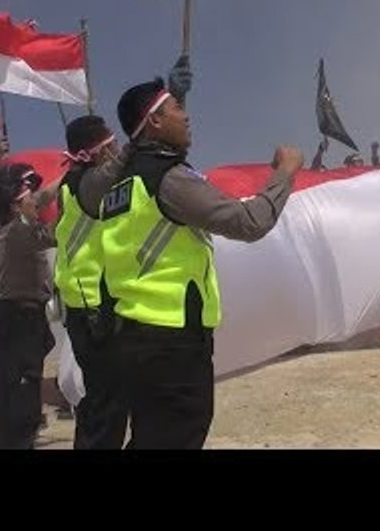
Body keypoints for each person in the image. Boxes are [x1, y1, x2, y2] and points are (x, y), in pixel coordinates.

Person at [99, 78, 304, 448]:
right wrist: (285, 173)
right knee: (175, 436)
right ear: (156, 122)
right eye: (177, 108)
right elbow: (250, 222)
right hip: (171, 340)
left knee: (151, 435)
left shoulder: (119, 185)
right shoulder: (170, 179)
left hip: (131, 334)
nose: (187, 116)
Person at [53, 114, 130, 449]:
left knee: (98, 402)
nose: (116, 149)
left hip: (80, 306)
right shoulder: (88, 186)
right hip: (94, 308)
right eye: (110, 144)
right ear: (96, 152)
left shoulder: (70, 184)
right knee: (109, 405)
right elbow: (133, 157)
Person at [0, 158, 57, 449]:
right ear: (15, 206)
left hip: (0, 320)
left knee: (1, 398)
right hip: (19, 325)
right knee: (21, 404)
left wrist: (69, 178)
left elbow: (40, 197)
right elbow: (57, 233)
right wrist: (77, 194)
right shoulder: (20, 233)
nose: (37, 202)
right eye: (29, 199)